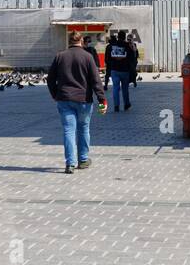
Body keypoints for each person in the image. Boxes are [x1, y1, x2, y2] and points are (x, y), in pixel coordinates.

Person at [47, 30, 107, 173]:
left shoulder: (60, 56)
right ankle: (83, 160)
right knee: (83, 129)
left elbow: (50, 79)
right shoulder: (87, 57)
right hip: (83, 100)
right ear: (81, 41)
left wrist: (55, 94)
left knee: (68, 131)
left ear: (69, 41)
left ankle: (70, 163)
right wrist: (102, 100)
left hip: (64, 99)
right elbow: (96, 81)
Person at [105, 30, 135, 112]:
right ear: (125, 37)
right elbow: (132, 57)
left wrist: (112, 64)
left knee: (115, 88)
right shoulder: (127, 45)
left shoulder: (112, 45)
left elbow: (107, 58)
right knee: (125, 89)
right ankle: (126, 104)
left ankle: (116, 106)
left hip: (114, 70)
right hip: (125, 71)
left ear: (118, 36)